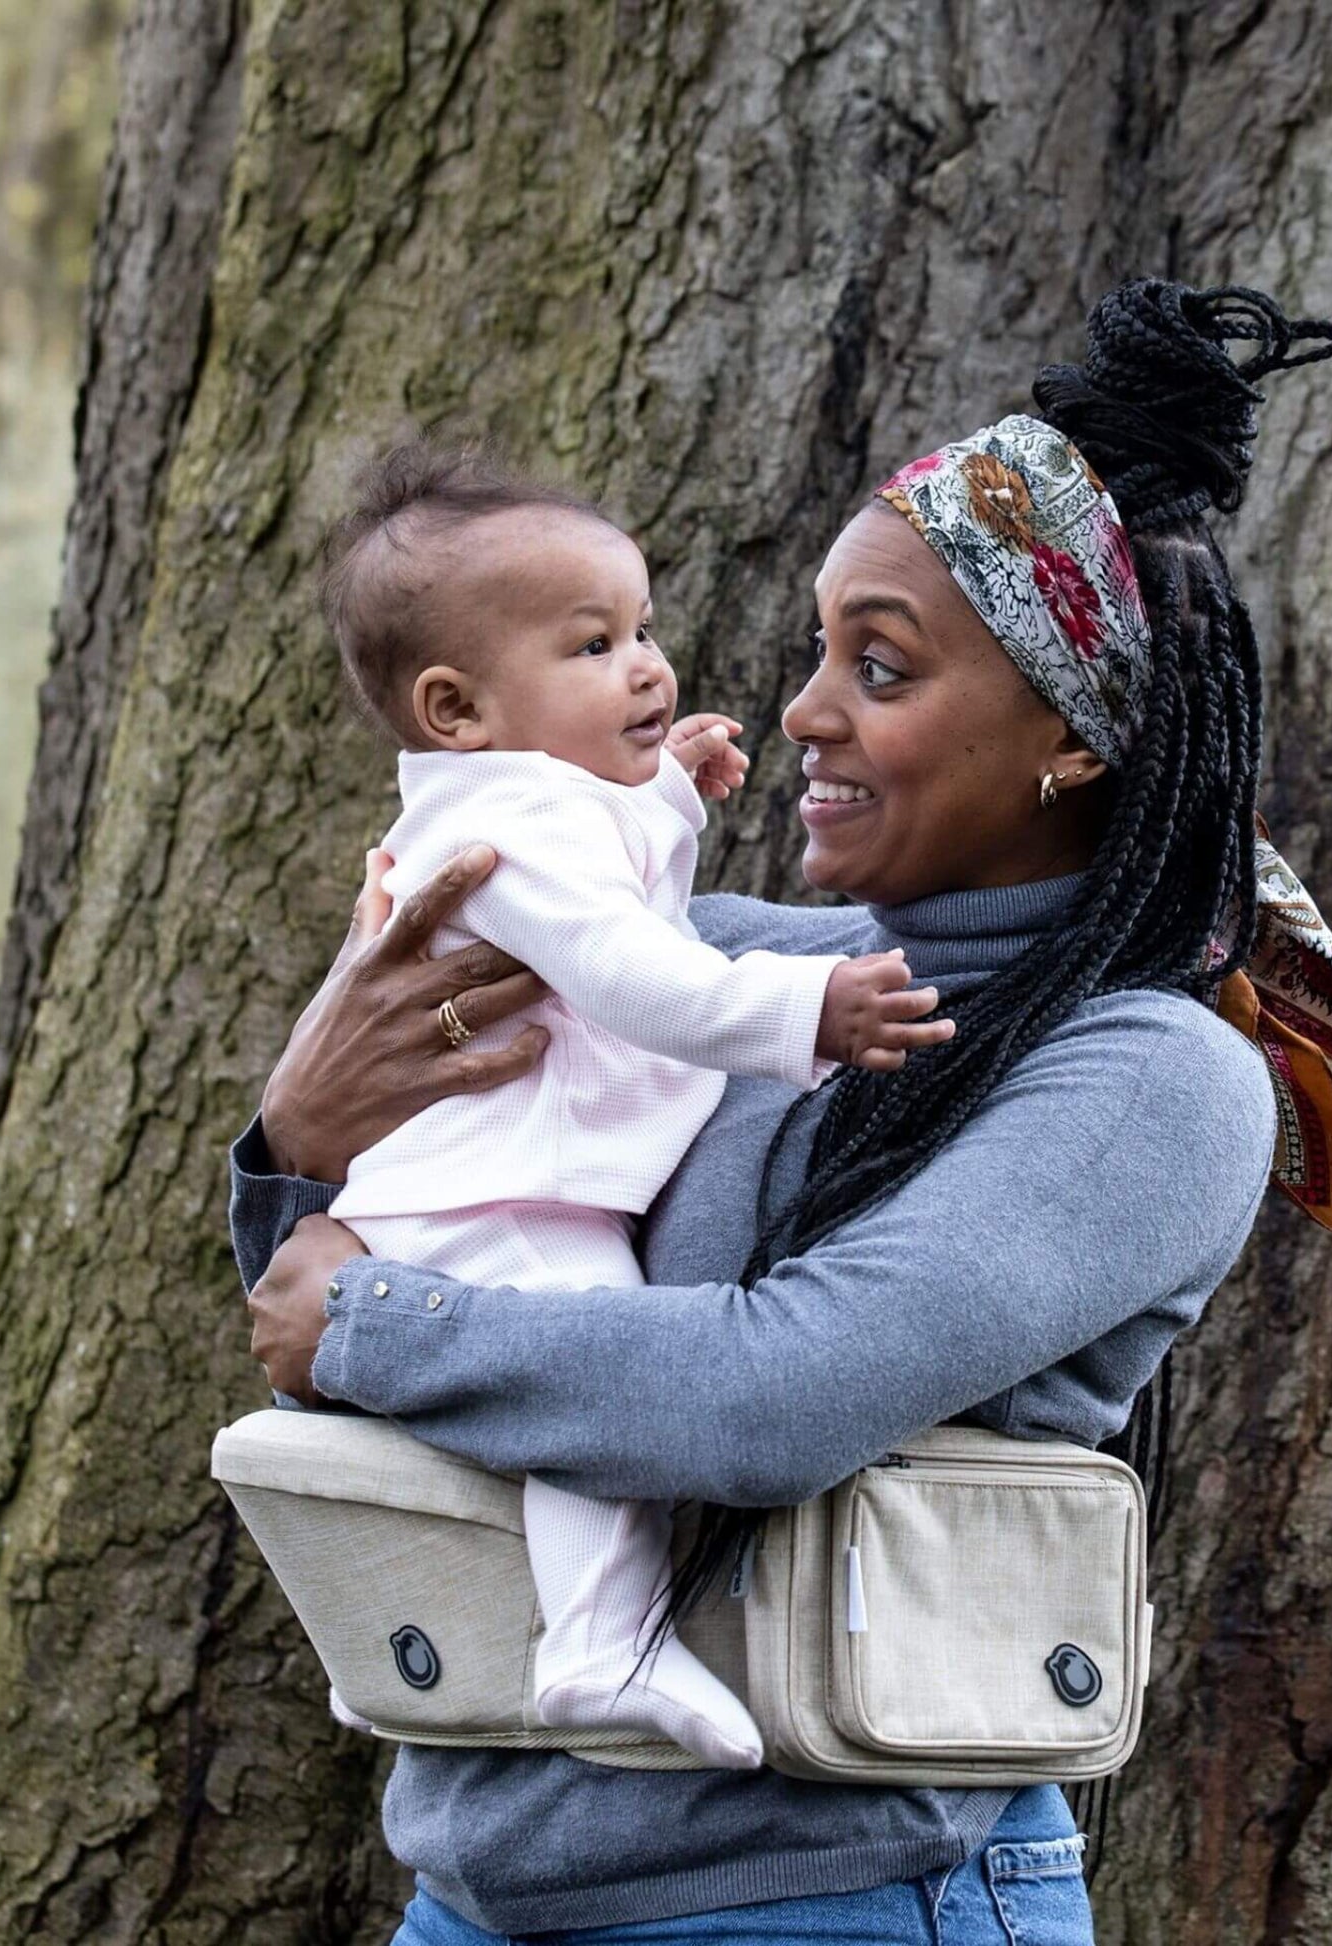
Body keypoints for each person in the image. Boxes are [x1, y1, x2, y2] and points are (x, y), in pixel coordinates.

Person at [238, 280, 1332, 1944]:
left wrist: (364, 1318)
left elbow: (772, 1394)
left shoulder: (1150, 1080)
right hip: (479, 1878)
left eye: (875, 666)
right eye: (819, 654)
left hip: (833, 1896)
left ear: (1069, 742)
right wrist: (296, 1150)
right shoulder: (725, 968)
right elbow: (368, 1278)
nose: (803, 709)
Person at [309, 442, 953, 1768]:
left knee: (487, 1445)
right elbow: (631, 967)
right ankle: (600, 1649)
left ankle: (394, 1637)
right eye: (594, 645)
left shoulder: (524, 800)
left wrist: (666, 777)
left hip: (477, 1181)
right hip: (500, 1193)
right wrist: (800, 1011)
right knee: (600, 1368)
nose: (648, 666)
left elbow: (616, 862)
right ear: (454, 708)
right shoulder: (507, 841)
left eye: (642, 630)